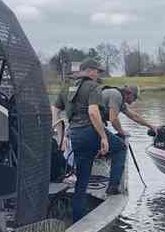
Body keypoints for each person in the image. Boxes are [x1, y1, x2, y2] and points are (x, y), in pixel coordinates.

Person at [54, 58, 127, 222]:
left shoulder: (66, 87)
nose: (98, 74)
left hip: (75, 135)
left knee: (83, 179)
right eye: (97, 71)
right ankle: (113, 187)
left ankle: (77, 218)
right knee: (120, 148)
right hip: (90, 131)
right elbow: (94, 113)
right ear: (89, 70)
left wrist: (61, 136)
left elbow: (55, 111)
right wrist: (103, 137)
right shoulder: (92, 86)